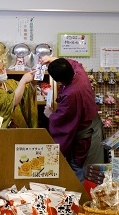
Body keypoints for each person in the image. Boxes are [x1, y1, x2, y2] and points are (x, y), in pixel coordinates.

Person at [42, 56, 101, 184]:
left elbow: (62, 121)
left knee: (77, 167)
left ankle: (79, 199)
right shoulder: (80, 74)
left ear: (58, 82)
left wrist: (50, 115)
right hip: (92, 123)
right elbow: (75, 63)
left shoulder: (70, 94)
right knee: (83, 167)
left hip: (83, 134)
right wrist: (53, 58)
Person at [0, 56, 38, 128]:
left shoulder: (11, 83)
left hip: (19, 129)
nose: (3, 72)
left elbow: (26, 95)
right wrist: (23, 81)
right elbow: (14, 102)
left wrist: (33, 83)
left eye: (3, 68)